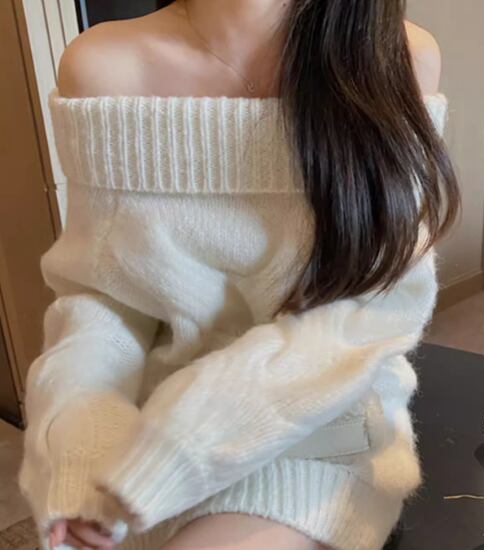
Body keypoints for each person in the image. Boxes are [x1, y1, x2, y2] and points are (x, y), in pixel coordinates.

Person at [18, 1, 460, 549]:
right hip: (142, 443)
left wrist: (174, 451)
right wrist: (83, 450)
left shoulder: (396, 57)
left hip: (321, 429)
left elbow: (365, 316)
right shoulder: (102, 68)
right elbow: (101, 303)